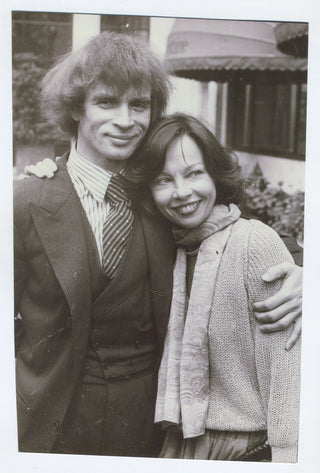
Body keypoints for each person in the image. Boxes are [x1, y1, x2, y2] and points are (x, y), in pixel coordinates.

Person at [14, 31, 302, 457]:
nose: (126, 120)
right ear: (76, 107)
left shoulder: (159, 193)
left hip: (148, 433)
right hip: (47, 426)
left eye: (139, 105)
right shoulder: (26, 201)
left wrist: (303, 270)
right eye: (107, 102)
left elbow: (233, 232)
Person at [129, 112, 301, 463]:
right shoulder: (172, 248)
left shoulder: (253, 243)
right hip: (184, 444)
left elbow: (288, 373)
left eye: (194, 173)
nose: (182, 192)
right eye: (164, 180)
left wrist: (290, 459)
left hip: (249, 448)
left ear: (215, 175)